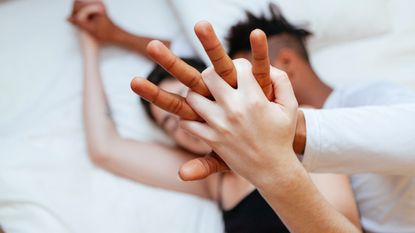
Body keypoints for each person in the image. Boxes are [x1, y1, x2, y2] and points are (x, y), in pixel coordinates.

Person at [73, 2, 361, 232]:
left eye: (193, 100)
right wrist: (88, 45)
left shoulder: (297, 127)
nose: (190, 117)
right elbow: (105, 149)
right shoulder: (215, 181)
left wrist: (273, 166)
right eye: (172, 121)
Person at [131, 5, 415, 233]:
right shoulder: (231, 167)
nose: (241, 96)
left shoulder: (367, 98)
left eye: (248, 79)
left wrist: (288, 137)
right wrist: (113, 34)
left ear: (285, 64)